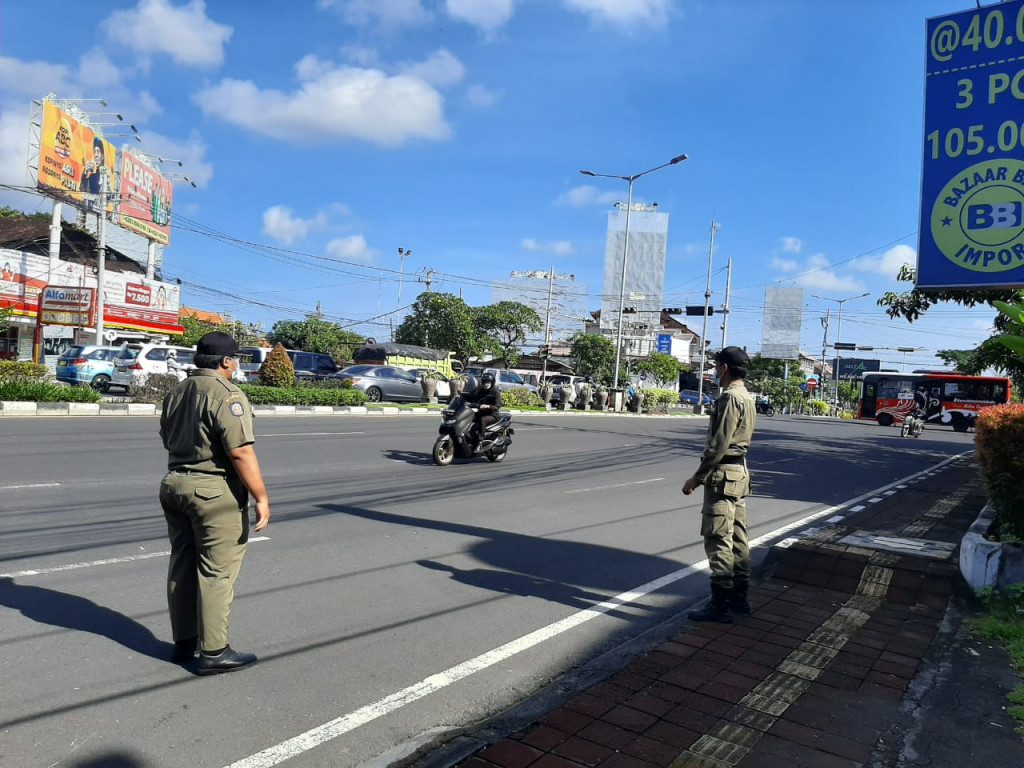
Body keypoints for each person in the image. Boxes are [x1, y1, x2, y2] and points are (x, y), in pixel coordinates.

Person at [159, 332, 271, 674]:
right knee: (216, 571)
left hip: (174, 483)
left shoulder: (176, 391)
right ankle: (214, 651)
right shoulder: (227, 394)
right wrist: (261, 497)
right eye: (235, 358)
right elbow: (239, 450)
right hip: (212, 491)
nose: (236, 364)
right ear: (226, 362)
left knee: (182, 563)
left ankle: (184, 642)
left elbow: (166, 436)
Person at [682, 346, 756, 623]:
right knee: (738, 538)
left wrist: (697, 478)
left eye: (716, 366)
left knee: (718, 539)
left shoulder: (729, 399)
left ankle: (720, 605)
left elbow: (718, 446)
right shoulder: (747, 397)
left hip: (722, 475)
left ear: (724, 368)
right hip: (739, 474)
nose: (715, 371)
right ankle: (740, 600)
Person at [463, 371, 502, 438]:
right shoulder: (480, 391)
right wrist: (465, 403)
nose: (486, 384)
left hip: (492, 415)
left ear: (492, 383)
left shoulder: (495, 392)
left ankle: (480, 439)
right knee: (467, 417)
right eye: (484, 382)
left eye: (488, 382)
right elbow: (474, 401)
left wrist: (489, 406)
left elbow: (497, 406)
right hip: (481, 412)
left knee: (483, 419)